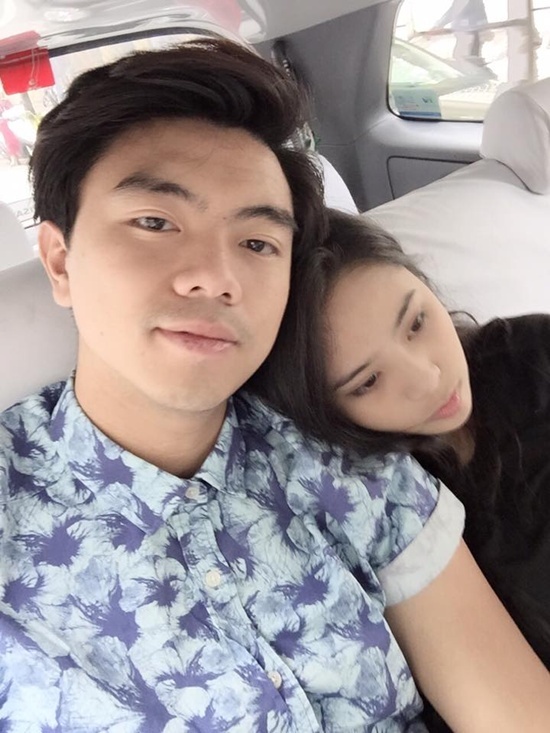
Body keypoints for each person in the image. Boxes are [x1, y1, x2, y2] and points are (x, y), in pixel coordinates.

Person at [0, 39, 549, 733]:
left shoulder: (344, 455)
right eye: (155, 222)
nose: (216, 276)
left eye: (257, 243)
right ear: (60, 261)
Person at [251, 206, 550, 730]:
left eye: (416, 322)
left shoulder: (532, 355)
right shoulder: (388, 515)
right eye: (368, 382)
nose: (428, 376)